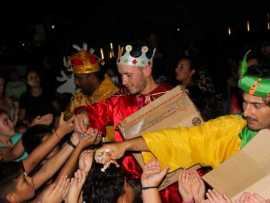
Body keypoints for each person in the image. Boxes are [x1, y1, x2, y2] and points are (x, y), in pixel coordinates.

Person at [94, 51, 270, 186]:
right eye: (245, 103)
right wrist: (126, 145)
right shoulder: (230, 130)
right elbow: (180, 139)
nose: (246, 112)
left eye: (256, 105)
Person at [75, 42, 179, 202]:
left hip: (170, 186)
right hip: (130, 190)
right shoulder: (120, 100)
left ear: (147, 70)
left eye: (128, 75)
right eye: (121, 75)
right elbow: (97, 111)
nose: (123, 81)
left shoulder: (172, 98)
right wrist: (83, 114)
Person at [67, 43, 119, 113]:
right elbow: (65, 118)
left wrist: (89, 113)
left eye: (79, 78)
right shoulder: (79, 98)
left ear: (92, 77)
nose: (76, 82)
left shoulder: (114, 97)